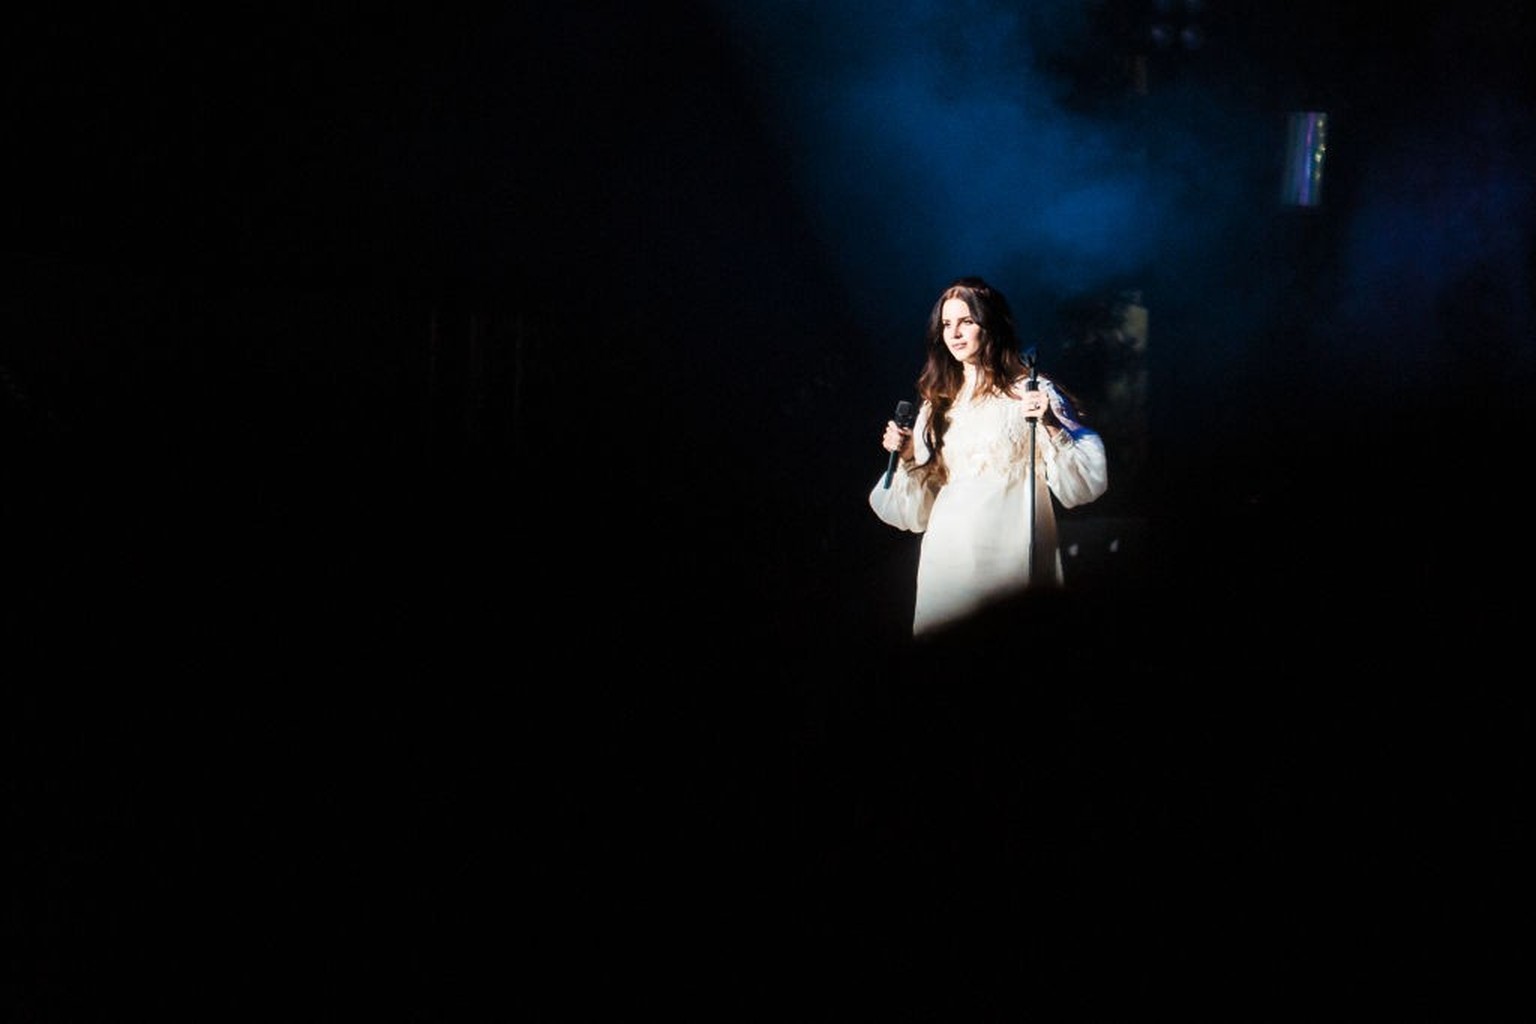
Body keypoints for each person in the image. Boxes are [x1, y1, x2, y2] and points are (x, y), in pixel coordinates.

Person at [870, 276, 1109, 637]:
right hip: (949, 553)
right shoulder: (938, 403)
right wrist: (906, 457)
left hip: (1010, 545)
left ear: (991, 325)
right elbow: (914, 513)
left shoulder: (1029, 391)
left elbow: (1084, 485)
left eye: (966, 321)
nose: (955, 333)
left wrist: (1050, 425)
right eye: (947, 324)